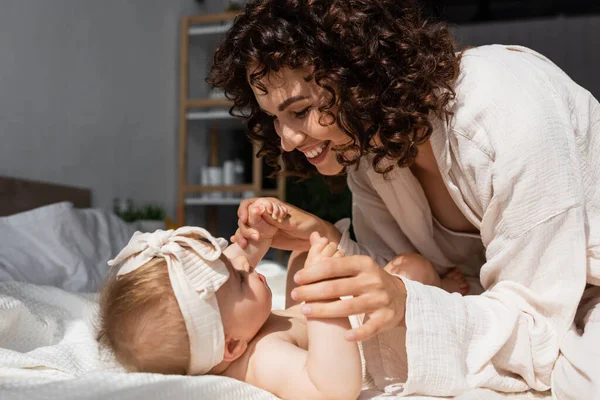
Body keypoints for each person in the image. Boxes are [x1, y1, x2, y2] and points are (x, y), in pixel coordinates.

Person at [208, 0, 600, 398]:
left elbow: (538, 327)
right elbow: (408, 278)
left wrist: (406, 302)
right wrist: (327, 239)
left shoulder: (503, 110)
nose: (287, 139)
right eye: (275, 117)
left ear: (360, 74)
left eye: (301, 110)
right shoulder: (370, 151)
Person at [97, 198, 362, 400]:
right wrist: (325, 298)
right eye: (241, 280)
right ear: (232, 346)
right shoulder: (262, 357)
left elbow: (235, 265)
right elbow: (332, 389)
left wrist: (261, 234)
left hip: (300, 312)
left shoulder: (232, 323)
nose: (246, 266)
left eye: (235, 267)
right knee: (403, 269)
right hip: (349, 334)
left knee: (302, 254)